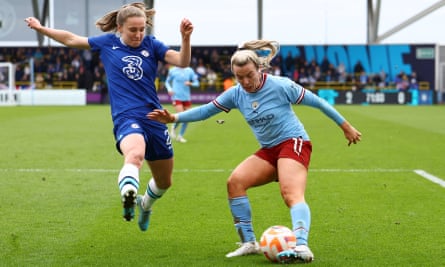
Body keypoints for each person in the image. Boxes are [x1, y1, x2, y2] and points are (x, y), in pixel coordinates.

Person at [148, 40, 362, 263]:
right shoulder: (236, 94)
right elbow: (206, 111)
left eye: (249, 75)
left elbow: (318, 102)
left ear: (259, 68)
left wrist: (345, 127)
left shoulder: (281, 85)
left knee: (290, 193)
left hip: (294, 142)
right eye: (239, 77)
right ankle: (249, 243)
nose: (245, 81)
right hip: (269, 150)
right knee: (235, 183)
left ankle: (302, 247)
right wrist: (174, 117)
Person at [25, 2, 194, 232]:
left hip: (155, 117)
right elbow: (71, 39)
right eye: (133, 30)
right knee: (135, 155)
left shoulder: (151, 45)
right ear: (119, 27)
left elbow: (182, 61)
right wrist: (42, 28)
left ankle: (145, 204)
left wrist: (185, 38)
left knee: (165, 181)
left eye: (142, 29)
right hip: (126, 116)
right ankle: (128, 194)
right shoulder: (107, 43)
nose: (138, 34)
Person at [165, 65, 200, 143]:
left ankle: (180, 136)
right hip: (176, 96)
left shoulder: (190, 70)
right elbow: (167, 82)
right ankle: (173, 128)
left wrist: (190, 83)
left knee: (188, 117)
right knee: (181, 115)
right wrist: (169, 89)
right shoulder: (173, 70)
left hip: (187, 97)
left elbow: (197, 83)